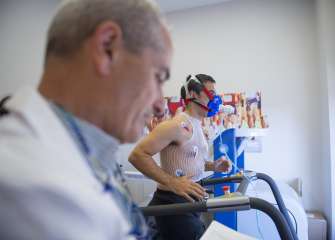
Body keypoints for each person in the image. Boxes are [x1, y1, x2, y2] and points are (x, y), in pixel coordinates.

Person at [0, 0, 172, 239]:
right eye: (158, 77)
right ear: (107, 47)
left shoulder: (91, 153)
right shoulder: (32, 185)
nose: (160, 103)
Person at [129, 74, 231, 240]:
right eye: (211, 93)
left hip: (189, 200)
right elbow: (137, 155)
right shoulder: (177, 125)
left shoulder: (196, 124)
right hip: (173, 202)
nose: (216, 98)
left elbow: (189, 160)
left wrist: (213, 166)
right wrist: (172, 182)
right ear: (193, 94)